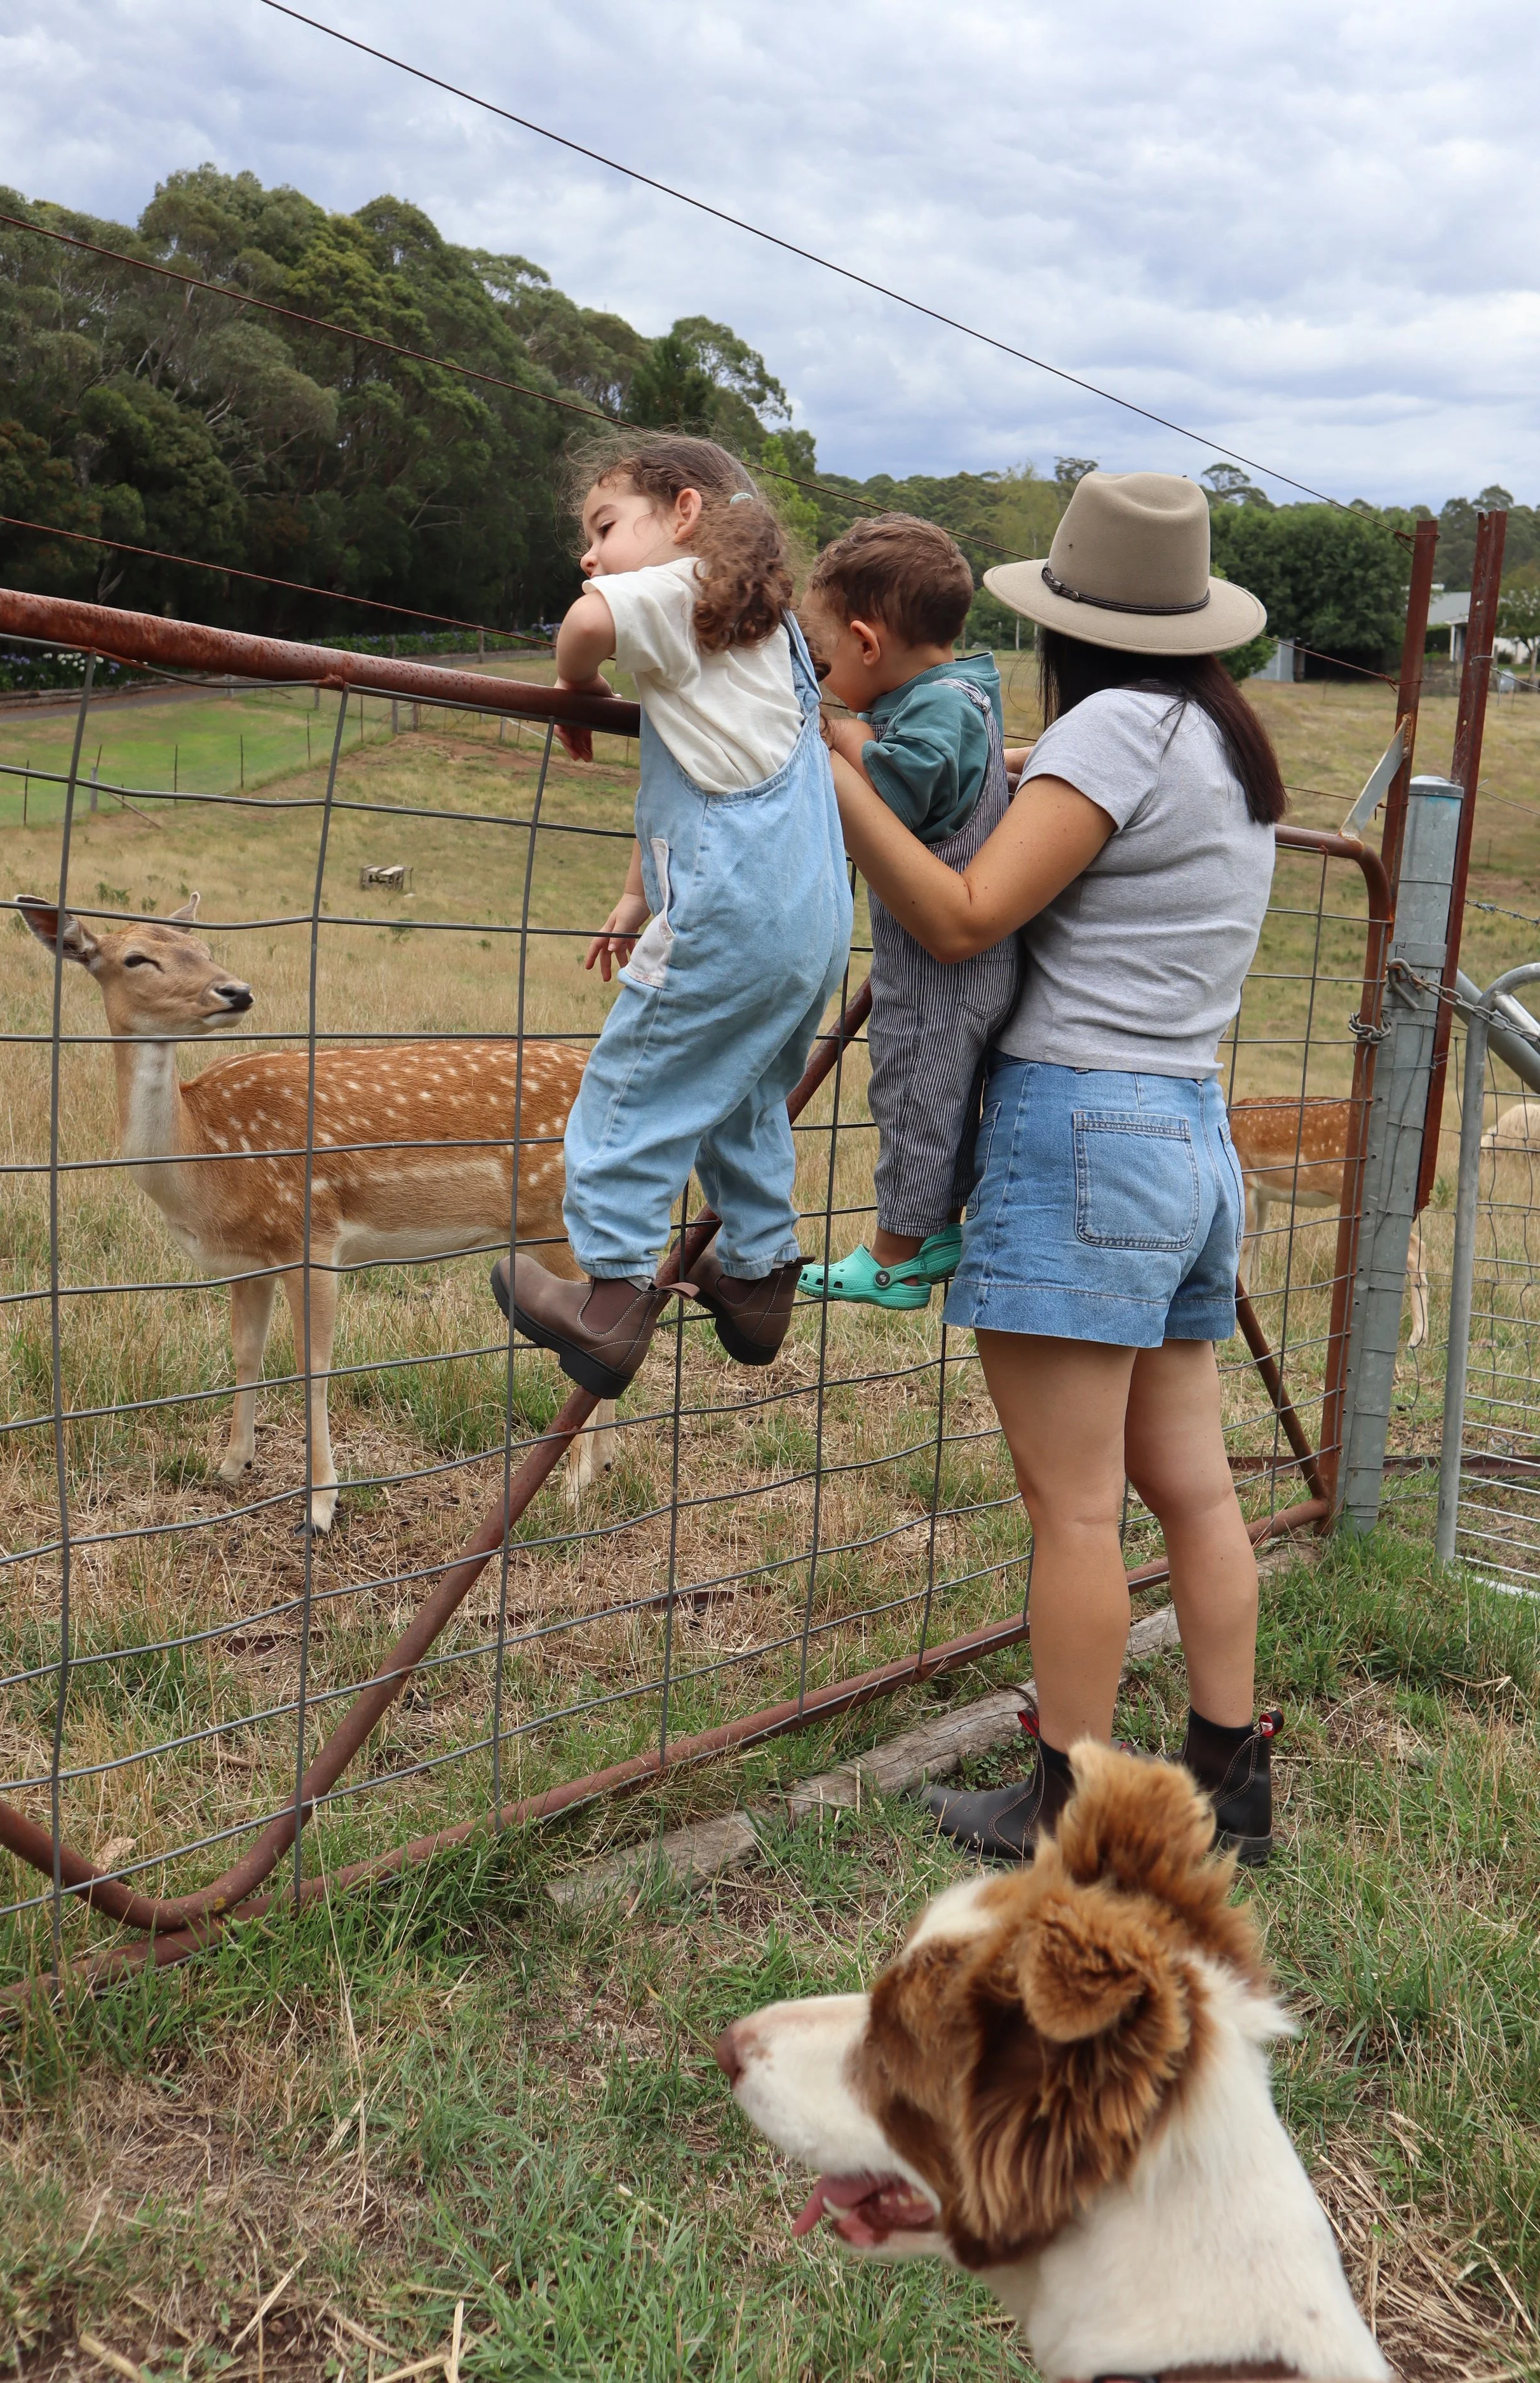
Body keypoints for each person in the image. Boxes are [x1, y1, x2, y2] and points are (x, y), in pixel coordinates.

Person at [820, 470, 1284, 1863]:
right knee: (1192, 1488)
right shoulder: (1219, 740)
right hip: (1187, 1135)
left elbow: (962, 918)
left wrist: (838, 779)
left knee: (1073, 1507)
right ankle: (1225, 1779)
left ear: (1065, 622)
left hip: (1080, 1133)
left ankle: (1063, 1804)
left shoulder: (1109, 730)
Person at [491, 435, 853, 1401]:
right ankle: (760, 1273)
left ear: (684, 513)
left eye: (605, 525)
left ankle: (608, 1301)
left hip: (731, 922)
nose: (591, 551)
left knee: (632, 1091)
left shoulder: (674, 588)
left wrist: (575, 686)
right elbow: (710, 785)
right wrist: (635, 894)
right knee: (738, 1094)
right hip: (809, 928)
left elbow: (584, 622)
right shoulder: (766, 637)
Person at [797, 516, 1019, 1310]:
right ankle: (936, 1231)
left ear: (864, 643)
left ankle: (894, 1258)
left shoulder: (935, 712)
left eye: (822, 657)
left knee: (914, 1093)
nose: (820, 678)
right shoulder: (964, 696)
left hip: (939, 968)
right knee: (943, 1098)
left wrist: (845, 739)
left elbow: (899, 788)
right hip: (965, 962)